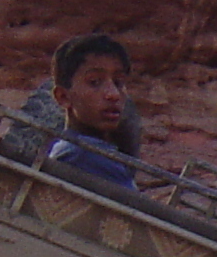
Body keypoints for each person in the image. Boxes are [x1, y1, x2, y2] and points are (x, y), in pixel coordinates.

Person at [26, 33, 139, 189]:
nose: (113, 94)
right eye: (95, 82)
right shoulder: (82, 156)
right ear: (63, 97)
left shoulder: (94, 152)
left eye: (118, 82)